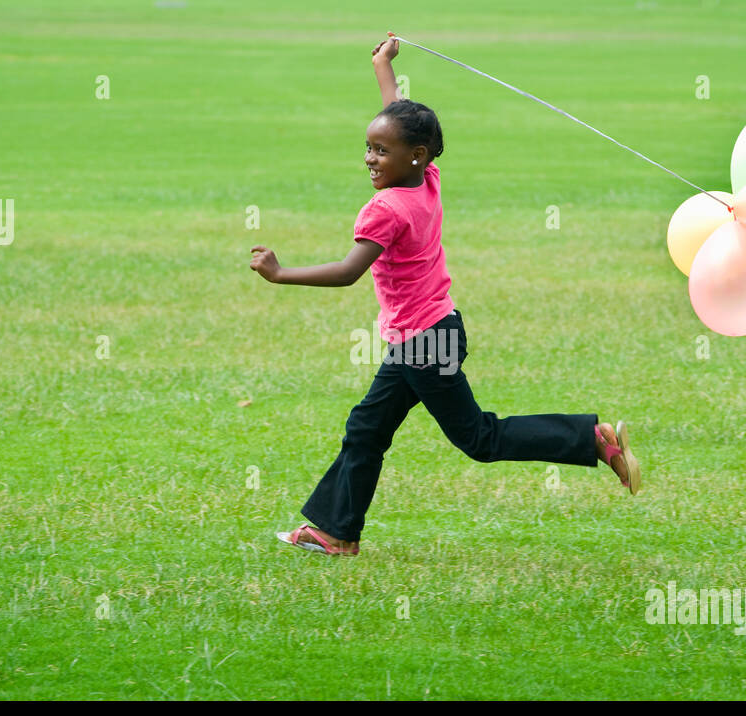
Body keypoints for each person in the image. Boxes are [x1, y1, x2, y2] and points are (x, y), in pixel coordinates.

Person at [249, 32, 640, 556]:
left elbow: (347, 272)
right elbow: (399, 116)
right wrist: (383, 66)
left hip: (422, 344)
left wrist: (280, 273)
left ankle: (589, 438)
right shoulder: (424, 178)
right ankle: (336, 532)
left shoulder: (386, 209)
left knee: (480, 438)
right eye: (368, 147)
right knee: (366, 428)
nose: (369, 158)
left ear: (414, 156)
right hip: (433, 332)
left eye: (380, 151)